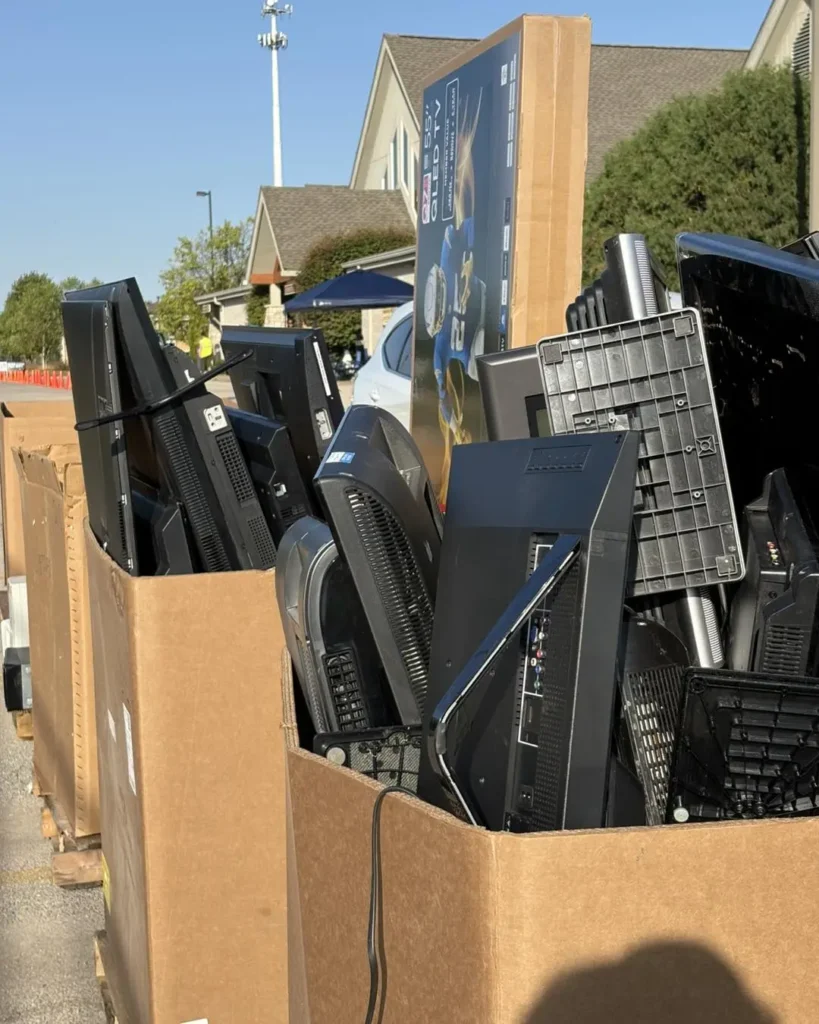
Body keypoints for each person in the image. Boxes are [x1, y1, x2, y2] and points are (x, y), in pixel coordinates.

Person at [423, 216, 486, 430]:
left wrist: (470, 257)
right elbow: (443, 399)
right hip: (477, 339)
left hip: (485, 291)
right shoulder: (440, 345)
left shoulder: (447, 258)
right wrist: (456, 429)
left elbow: (465, 225)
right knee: (478, 369)